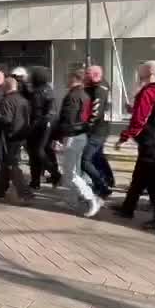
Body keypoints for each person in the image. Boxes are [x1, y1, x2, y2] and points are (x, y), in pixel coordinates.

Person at [114, 60, 155, 230]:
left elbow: (139, 120)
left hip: (151, 141)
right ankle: (127, 207)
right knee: (139, 177)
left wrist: (124, 137)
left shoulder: (147, 93)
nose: (138, 74)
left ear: (149, 73)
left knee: (154, 182)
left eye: (141, 71)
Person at [54, 69, 100, 217]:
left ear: (74, 78)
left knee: (70, 172)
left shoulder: (73, 96)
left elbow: (68, 119)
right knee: (75, 170)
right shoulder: (84, 94)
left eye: (68, 77)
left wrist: (60, 136)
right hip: (80, 135)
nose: (66, 80)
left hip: (73, 136)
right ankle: (71, 200)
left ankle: (91, 198)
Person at [0, 76, 33, 205]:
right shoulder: (24, 100)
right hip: (22, 135)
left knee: (12, 164)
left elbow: (7, 119)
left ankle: (25, 193)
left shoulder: (6, 101)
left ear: (6, 87)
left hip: (11, 136)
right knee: (6, 163)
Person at [82, 66, 114, 198]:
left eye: (87, 74)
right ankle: (108, 180)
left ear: (95, 75)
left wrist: (85, 126)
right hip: (100, 129)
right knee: (98, 157)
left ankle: (102, 186)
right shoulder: (100, 85)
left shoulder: (100, 89)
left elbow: (96, 112)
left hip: (96, 130)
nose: (85, 76)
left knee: (85, 160)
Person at [26, 67, 61, 190]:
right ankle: (37, 180)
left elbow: (37, 112)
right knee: (40, 152)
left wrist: (34, 126)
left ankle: (54, 174)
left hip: (40, 126)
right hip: (45, 126)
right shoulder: (46, 90)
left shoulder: (39, 92)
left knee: (37, 152)